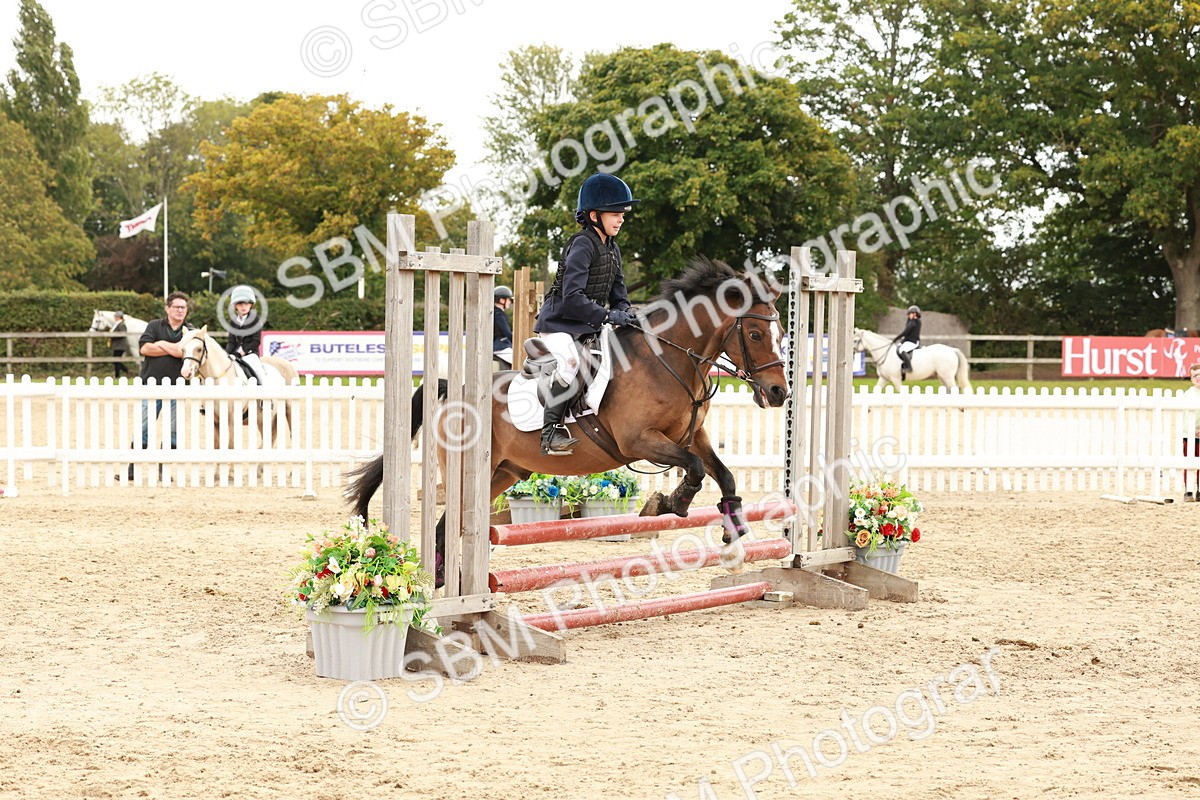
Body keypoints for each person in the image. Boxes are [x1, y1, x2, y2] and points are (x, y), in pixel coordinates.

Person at [533, 172, 639, 456]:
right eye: (615, 213)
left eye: (623, 214)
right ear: (594, 215)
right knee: (569, 363)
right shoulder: (582, 244)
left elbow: (619, 293)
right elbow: (572, 299)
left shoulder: (612, 249)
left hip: (585, 323)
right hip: (559, 322)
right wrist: (606, 316)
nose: (621, 219)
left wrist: (625, 312)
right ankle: (550, 433)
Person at [129, 292, 191, 478]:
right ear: (167, 308)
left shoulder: (190, 330)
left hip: (177, 387)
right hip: (151, 384)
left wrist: (162, 344)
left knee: (172, 429)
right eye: (177, 307)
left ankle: (165, 470)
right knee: (144, 426)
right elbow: (145, 348)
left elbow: (185, 353)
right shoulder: (154, 325)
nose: (180, 310)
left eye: (183, 307)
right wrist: (173, 347)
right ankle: (132, 468)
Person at [225, 285, 266, 383]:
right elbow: (231, 341)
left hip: (250, 353)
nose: (243, 307)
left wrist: (243, 352)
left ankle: (264, 389)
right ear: (235, 306)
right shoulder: (233, 321)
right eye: (240, 304)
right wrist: (226, 354)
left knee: (257, 369)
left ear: (251, 305)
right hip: (235, 354)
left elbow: (256, 341)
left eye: (246, 304)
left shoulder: (255, 319)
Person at [1183, 363, 1200, 501]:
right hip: (1188, 433)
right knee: (1188, 462)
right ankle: (1188, 491)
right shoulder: (1188, 395)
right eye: (1195, 376)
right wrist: (1192, 430)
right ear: (1191, 379)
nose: (1198, 378)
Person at [894, 305, 922, 377]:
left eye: (910, 314)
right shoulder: (911, 321)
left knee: (902, 350)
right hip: (908, 341)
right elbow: (907, 334)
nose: (908, 316)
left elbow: (905, 332)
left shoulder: (915, 322)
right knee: (898, 347)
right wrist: (901, 341)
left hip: (913, 342)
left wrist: (896, 338)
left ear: (914, 314)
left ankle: (909, 367)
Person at [493, 285, 515, 367]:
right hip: (500, 347)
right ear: (502, 300)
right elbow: (507, 333)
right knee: (520, 361)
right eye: (509, 300)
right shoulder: (498, 315)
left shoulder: (496, 313)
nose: (510, 302)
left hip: (500, 345)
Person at [109, 311, 130, 379]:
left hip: (120, 346)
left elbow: (122, 334)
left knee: (116, 360)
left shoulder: (121, 325)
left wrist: (112, 336)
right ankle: (124, 371)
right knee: (116, 360)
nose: (114, 318)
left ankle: (121, 373)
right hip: (117, 345)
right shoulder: (117, 324)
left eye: (115, 316)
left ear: (118, 317)